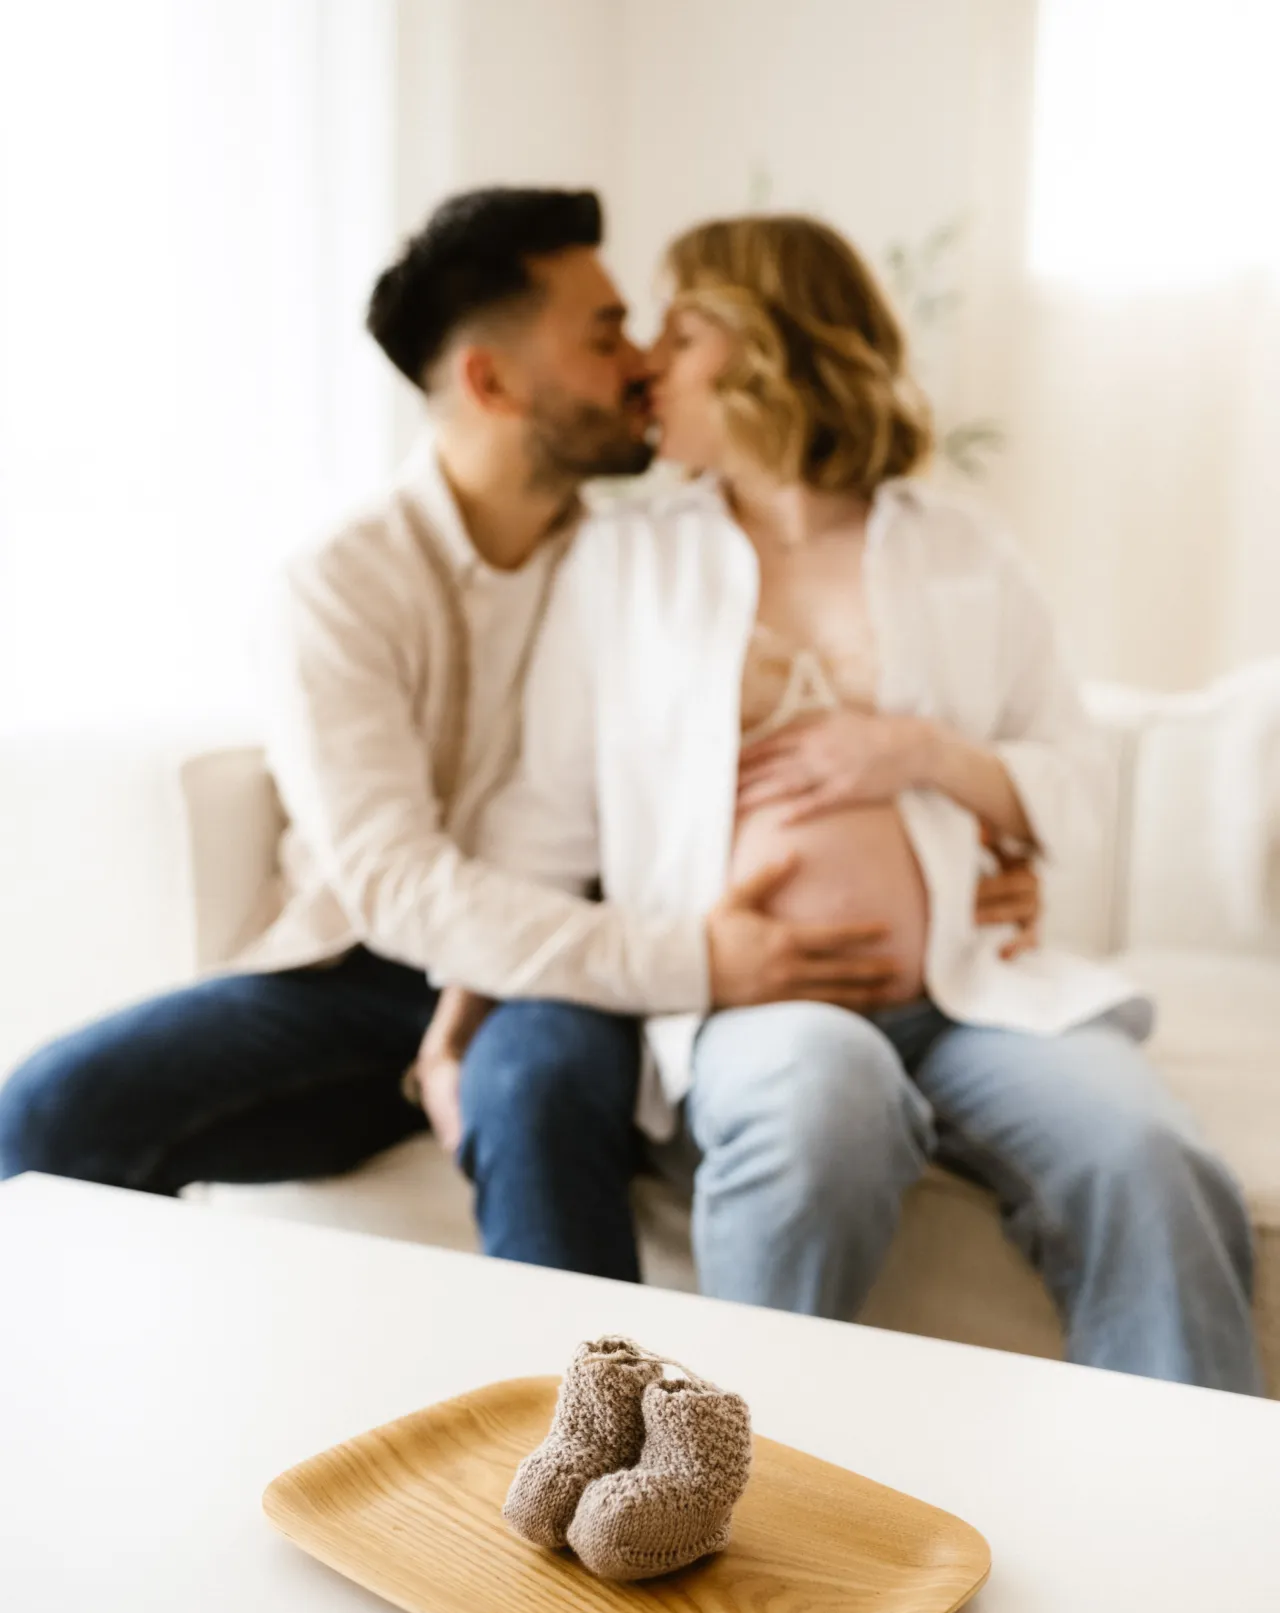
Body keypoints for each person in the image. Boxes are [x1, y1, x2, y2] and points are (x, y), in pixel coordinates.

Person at [0, 188, 1036, 1283]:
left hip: (576, 961)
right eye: (604, 334)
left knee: (534, 1086)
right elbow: (395, 885)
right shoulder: (339, 587)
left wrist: (963, 866)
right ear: (492, 383)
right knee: (49, 1112)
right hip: (363, 972)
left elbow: (840, 719)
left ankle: (608, 1448)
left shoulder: (660, 557)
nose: (644, 360)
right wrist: (693, 957)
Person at [431, 211, 1261, 1393]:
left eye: (678, 334)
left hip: (971, 989)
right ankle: (722, 1497)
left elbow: (1079, 788)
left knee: (1146, 1155)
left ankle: (1188, 1533)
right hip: (766, 997)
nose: (646, 366)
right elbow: (543, 823)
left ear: (765, 346)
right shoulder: (624, 564)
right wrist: (459, 1011)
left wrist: (919, 752)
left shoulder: (961, 551)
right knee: (821, 1107)